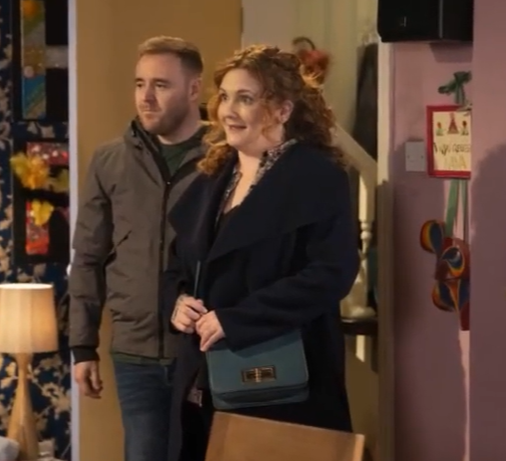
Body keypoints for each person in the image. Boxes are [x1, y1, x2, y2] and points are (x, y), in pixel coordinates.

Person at [164, 44, 360, 461]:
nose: (228, 110)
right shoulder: (212, 176)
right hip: (203, 383)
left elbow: (332, 273)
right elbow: (177, 264)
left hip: (280, 382)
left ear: (283, 110)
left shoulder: (319, 177)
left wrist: (238, 319)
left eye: (246, 98)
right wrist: (178, 302)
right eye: (225, 97)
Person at [68, 36, 206, 461]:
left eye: (161, 85)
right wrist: (83, 346)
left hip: (204, 349)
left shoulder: (225, 159)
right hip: (135, 352)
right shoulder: (110, 160)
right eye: (140, 83)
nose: (146, 97)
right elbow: (87, 256)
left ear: (194, 90)